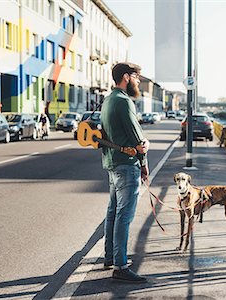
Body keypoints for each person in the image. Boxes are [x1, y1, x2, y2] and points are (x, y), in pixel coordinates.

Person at [101, 62, 150, 282]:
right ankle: (120, 266)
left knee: (113, 212)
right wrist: (144, 159)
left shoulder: (107, 101)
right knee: (124, 216)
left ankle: (111, 256)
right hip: (127, 165)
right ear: (126, 77)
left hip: (112, 164)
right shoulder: (123, 101)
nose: (138, 81)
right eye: (137, 77)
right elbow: (137, 138)